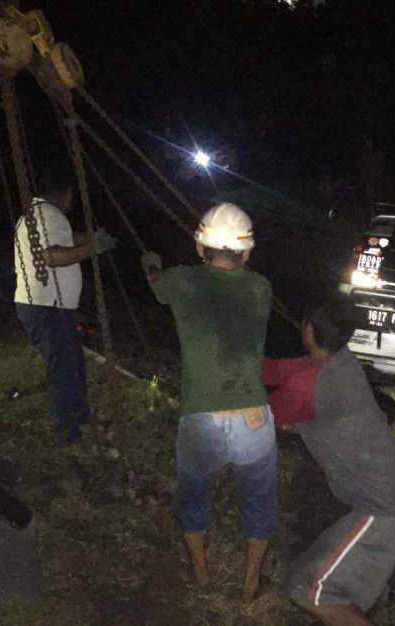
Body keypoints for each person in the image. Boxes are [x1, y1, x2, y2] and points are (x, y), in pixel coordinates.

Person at [141, 203, 276, 603]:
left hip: (200, 416)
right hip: (253, 415)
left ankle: (201, 574)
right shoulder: (261, 287)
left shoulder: (181, 281)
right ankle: (251, 582)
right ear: (247, 252)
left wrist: (151, 265)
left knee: (194, 496)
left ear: (200, 247)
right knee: (260, 499)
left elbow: (156, 284)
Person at [263, 297, 395, 626]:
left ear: (308, 329)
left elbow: (255, 417)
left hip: (386, 507)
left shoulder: (309, 386)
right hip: (393, 489)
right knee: (327, 584)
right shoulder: (338, 361)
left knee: (311, 589)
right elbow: (276, 370)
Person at [14, 167, 117, 446]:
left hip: (43, 305)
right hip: (47, 307)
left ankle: (80, 415)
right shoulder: (52, 215)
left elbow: (66, 238)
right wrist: (93, 248)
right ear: (66, 193)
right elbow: (51, 255)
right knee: (62, 366)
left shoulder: (34, 215)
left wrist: (92, 237)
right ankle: (66, 432)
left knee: (72, 360)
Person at [358, 137, 385, 202]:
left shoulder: (378, 153)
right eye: (367, 144)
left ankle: (376, 201)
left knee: (375, 189)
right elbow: (360, 163)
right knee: (365, 190)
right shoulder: (364, 153)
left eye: (370, 144)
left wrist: (377, 172)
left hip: (375, 175)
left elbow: (381, 164)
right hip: (365, 175)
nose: (369, 145)